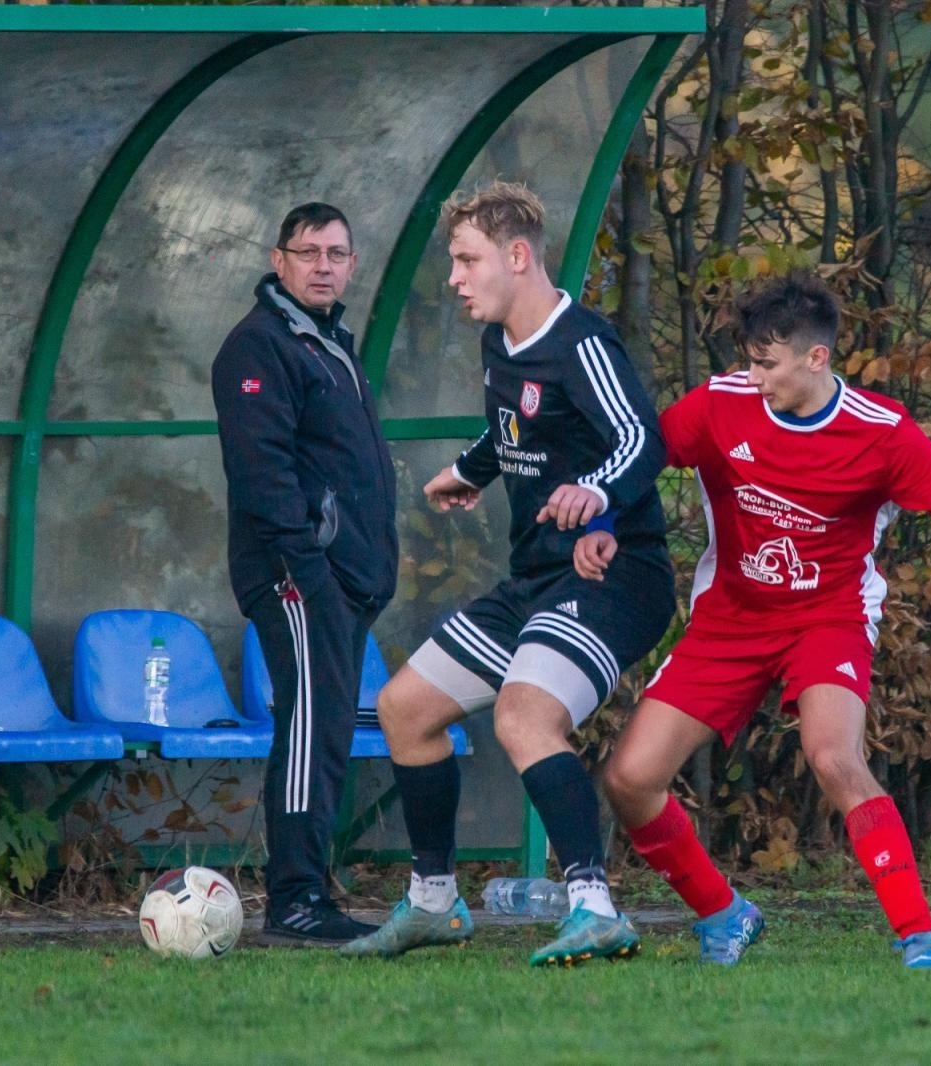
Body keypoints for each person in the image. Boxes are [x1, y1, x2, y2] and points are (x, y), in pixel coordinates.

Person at [586, 272, 931, 969]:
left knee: (833, 755)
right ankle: (724, 914)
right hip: (729, 620)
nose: (753, 376)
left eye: (768, 363)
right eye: (748, 359)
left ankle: (920, 935)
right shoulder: (719, 405)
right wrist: (601, 519)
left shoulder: (881, 433)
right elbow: (638, 463)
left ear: (817, 359)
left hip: (828, 617)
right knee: (630, 779)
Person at [342, 181, 675, 966]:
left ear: (517, 257)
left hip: (614, 577)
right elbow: (515, 426)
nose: (455, 277)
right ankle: (432, 903)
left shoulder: (583, 343)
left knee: (523, 717)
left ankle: (593, 905)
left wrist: (596, 492)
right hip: (537, 578)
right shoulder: (500, 341)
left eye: (467, 260)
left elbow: (641, 438)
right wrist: (472, 469)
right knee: (405, 709)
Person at [212, 203, 397, 945]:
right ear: (278, 259)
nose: (324, 265)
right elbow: (263, 474)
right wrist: (310, 569)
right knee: (310, 727)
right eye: (309, 252)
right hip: (296, 576)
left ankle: (309, 890)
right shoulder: (258, 347)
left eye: (337, 253)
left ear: (353, 264)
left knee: (326, 733)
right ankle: (294, 901)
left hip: (340, 578)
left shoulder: (329, 342)